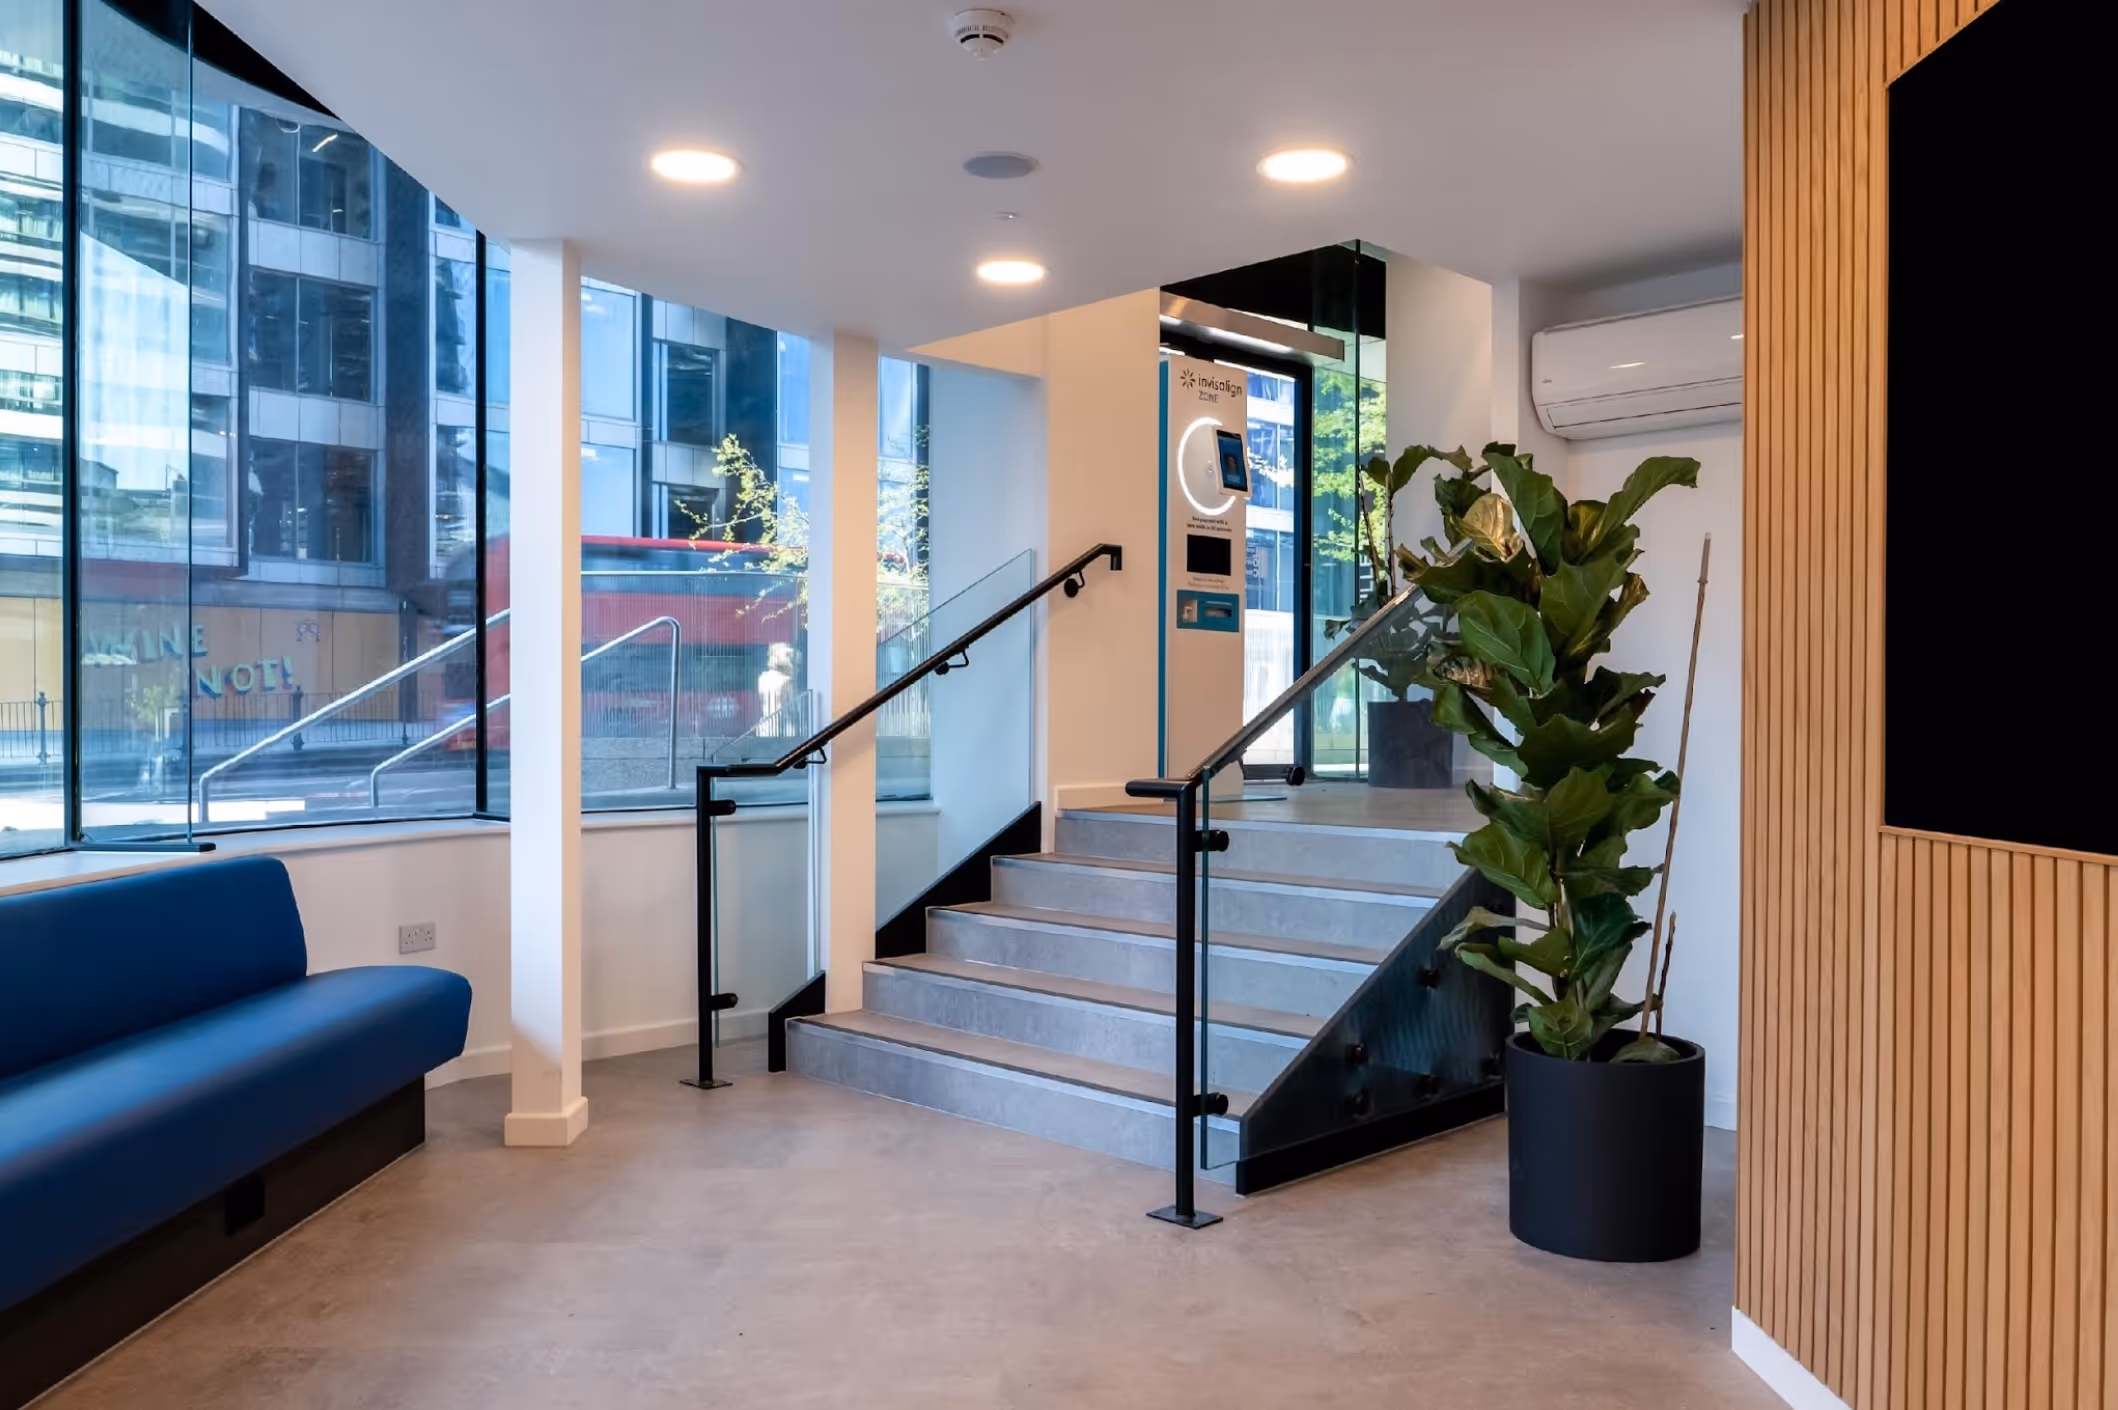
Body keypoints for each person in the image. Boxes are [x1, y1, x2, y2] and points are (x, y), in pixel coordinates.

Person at [757, 643, 796, 734]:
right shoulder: (786, 680)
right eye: (787, 655)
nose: (790, 659)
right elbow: (792, 707)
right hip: (782, 726)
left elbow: (762, 701)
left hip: (766, 725)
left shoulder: (762, 678)